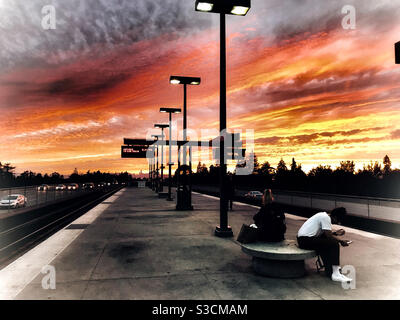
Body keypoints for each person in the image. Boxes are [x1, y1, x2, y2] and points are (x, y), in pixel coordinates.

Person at [297, 207, 352, 283]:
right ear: (335, 216)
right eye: (337, 221)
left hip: (304, 240)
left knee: (326, 244)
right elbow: (328, 236)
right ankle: (336, 273)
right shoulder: (325, 217)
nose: (337, 223)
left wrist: (336, 233)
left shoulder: (323, 216)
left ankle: (330, 272)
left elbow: (323, 235)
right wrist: (341, 241)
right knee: (334, 244)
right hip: (305, 240)